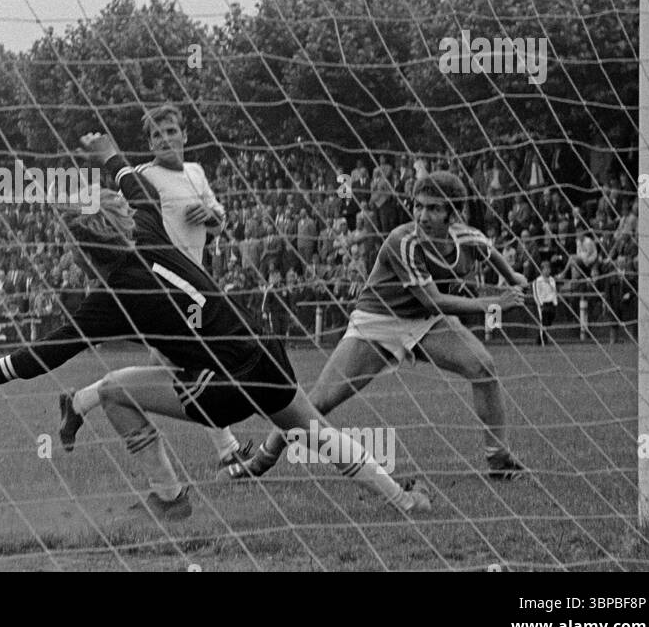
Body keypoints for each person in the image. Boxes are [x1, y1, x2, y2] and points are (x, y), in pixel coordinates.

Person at [0, 132, 430, 522]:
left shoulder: (113, 296)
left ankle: (169, 498)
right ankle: (402, 500)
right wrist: (111, 155)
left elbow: (47, 352)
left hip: (225, 382)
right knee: (316, 432)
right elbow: (137, 188)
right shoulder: (149, 227)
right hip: (263, 346)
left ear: (84, 248)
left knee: (116, 392)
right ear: (120, 220)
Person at [222, 172, 530, 482]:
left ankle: (499, 460)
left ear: (452, 212)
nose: (423, 215)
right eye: (419, 206)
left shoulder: (468, 238)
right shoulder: (403, 241)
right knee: (318, 404)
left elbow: (489, 252)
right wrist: (495, 302)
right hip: (377, 323)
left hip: (425, 323)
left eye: (434, 208)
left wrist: (513, 276)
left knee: (483, 368)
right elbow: (433, 300)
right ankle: (261, 460)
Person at [57, 105, 253, 474]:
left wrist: (211, 218)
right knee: (198, 365)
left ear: (184, 135)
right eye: (156, 135)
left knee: (171, 371)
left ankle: (80, 402)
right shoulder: (145, 176)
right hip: (162, 291)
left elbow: (218, 222)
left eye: (170, 131)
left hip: (195, 286)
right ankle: (228, 452)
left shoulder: (196, 173)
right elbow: (112, 215)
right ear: (148, 143)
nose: (164, 140)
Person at [533, 261, 558, 345]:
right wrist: (540, 303)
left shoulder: (551, 279)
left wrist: (555, 302)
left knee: (548, 322)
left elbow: (554, 291)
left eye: (548, 269)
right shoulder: (538, 281)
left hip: (551, 303)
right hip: (543, 304)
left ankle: (538, 339)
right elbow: (536, 293)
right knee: (543, 322)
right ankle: (543, 342)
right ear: (541, 270)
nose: (547, 271)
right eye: (545, 269)